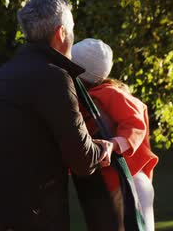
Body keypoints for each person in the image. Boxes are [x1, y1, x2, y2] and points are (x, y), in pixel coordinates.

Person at [0, 0, 114, 230]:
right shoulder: (54, 77)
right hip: (12, 216)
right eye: (73, 29)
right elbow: (82, 159)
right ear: (62, 33)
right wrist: (104, 148)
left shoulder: (4, 73)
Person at [71, 38, 159, 231]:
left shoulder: (110, 93)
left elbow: (135, 124)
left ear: (81, 75)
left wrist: (114, 144)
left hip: (131, 183)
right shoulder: (82, 99)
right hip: (113, 185)